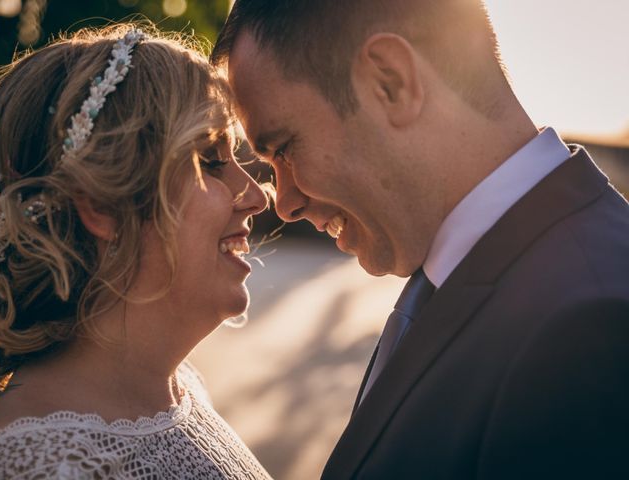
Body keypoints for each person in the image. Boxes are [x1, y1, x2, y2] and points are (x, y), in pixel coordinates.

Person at [211, 1, 629, 478]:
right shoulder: (455, 279)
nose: (284, 203)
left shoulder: (591, 331)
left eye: (284, 148)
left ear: (390, 82)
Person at [0, 24, 272, 479]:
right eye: (210, 159)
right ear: (103, 206)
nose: (258, 195)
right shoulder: (43, 466)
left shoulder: (179, 391)